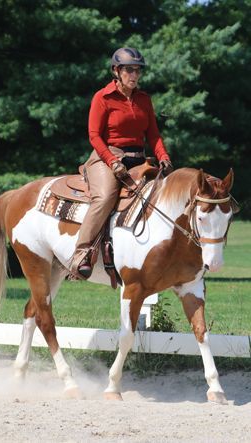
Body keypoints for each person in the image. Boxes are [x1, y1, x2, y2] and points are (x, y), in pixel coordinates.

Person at [71, 47, 173, 279]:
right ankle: (82, 254)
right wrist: (112, 160)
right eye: (129, 70)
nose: (134, 75)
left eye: (138, 70)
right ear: (116, 71)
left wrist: (164, 156)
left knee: (161, 195)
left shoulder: (144, 100)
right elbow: (94, 136)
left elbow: (154, 135)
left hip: (138, 159)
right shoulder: (102, 97)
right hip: (106, 157)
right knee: (105, 196)